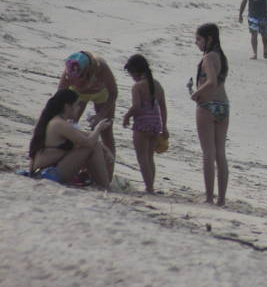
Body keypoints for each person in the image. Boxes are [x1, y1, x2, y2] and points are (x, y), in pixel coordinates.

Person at [28, 89, 112, 189]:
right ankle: (105, 186)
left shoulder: (56, 121)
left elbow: (86, 135)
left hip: (45, 171)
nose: (79, 108)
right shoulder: (59, 124)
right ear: (67, 107)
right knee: (93, 145)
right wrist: (98, 129)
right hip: (46, 174)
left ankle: (100, 183)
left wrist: (105, 149)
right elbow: (88, 143)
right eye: (77, 105)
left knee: (95, 144)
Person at [58, 51, 118, 181]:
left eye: (78, 78)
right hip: (79, 96)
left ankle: (108, 175)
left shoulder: (101, 68)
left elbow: (113, 93)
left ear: (88, 73)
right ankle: (75, 166)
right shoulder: (69, 73)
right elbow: (58, 99)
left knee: (106, 132)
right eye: (72, 78)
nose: (75, 81)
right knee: (70, 127)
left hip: (102, 93)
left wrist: (101, 115)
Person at [191, 23, 229, 206]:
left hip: (207, 105)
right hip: (223, 105)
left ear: (209, 39)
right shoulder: (221, 56)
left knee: (208, 152)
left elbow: (211, 82)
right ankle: (221, 199)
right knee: (220, 153)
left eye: (198, 39)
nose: (196, 43)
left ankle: (208, 197)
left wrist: (196, 93)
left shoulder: (208, 57)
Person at [122, 54, 168, 194]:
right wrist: (164, 126)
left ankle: (149, 188)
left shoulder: (137, 87)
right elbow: (163, 107)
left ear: (135, 72)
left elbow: (136, 106)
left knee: (142, 158)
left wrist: (127, 116)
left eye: (131, 74)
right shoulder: (157, 85)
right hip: (155, 123)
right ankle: (150, 185)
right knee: (149, 157)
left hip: (142, 123)